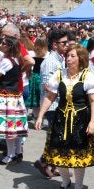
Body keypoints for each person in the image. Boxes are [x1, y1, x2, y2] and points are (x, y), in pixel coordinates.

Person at [35, 45, 94, 189]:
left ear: (80, 58)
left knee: (78, 155)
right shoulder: (60, 74)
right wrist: (40, 115)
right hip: (61, 119)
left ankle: (78, 186)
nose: (68, 58)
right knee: (58, 153)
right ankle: (65, 181)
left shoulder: (87, 75)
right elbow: (50, 97)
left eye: (73, 56)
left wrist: (93, 122)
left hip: (80, 119)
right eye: (67, 56)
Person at [33, 28, 69, 178]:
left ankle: (52, 165)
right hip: (52, 105)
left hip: (58, 103)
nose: (67, 45)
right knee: (56, 136)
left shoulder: (59, 59)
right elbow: (47, 86)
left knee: (56, 136)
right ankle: (43, 161)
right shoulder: (50, 62)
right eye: (64, 43)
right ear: (55, 45)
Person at [0, 36, 28, 164]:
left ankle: (11, 154)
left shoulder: (6, 61)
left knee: (8, 126)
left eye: (4, 43)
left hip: (6, 96)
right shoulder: (17, 59)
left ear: (9, 46)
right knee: (15, 126)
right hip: (15, 95)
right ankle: (18, 152)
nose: (1, 44)